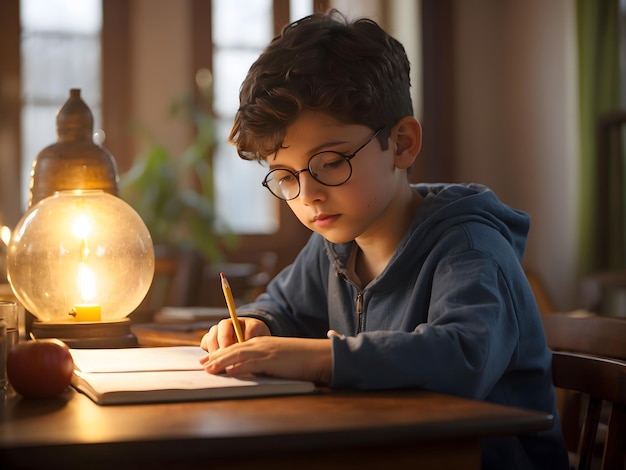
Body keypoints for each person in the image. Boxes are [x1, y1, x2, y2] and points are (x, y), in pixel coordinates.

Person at [200, 10, 569, 469]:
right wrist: (258, 326)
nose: (308, 195)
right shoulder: (334, 244)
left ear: (402, 143)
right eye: (284, 176)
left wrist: (322, 359)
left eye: (330, 162)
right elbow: (285, 307)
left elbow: (462, 357)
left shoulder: (470, 247)